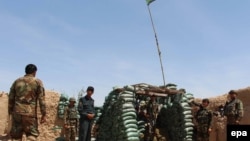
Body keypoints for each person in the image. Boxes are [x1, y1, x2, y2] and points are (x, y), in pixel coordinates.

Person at [8, 64, 46, 141]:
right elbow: (41, 99)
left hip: (17, 112)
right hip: (30, 114)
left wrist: (10, 111)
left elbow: (11, 98)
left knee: (16, 136)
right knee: (31, 135)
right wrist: (43, 114)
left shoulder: (16, 81)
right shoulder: (37, 82)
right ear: (35, 72)